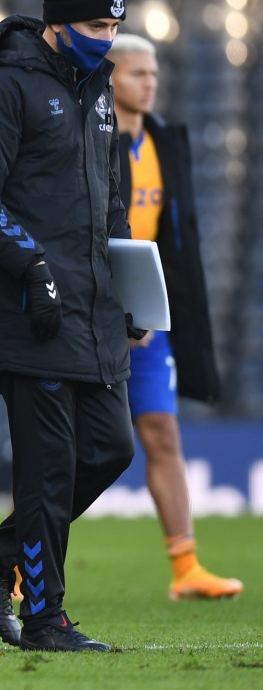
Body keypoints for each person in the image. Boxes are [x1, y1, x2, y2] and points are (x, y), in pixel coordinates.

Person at [0, 0, 140, 652]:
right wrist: (31, 266)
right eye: (94, 24)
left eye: (114, 27)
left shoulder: (97, 96)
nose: (106, 39)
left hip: (92, 310)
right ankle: (45, 617)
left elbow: (110, 207)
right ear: (58, 21)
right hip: (30, 312)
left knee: (110, 448)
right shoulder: (1, 89)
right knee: (48, 467)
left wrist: (132, 291)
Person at [107, 33, 242, 601]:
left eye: (153, 72)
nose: (150, 82)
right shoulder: (86, 140)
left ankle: (186, 568)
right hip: (91, 312)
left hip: (149, 319)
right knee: (60, 442)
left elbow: (176, 235)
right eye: (138, 73)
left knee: (162, 433)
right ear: (109, 78)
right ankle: (19, 566)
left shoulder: (166, 141)